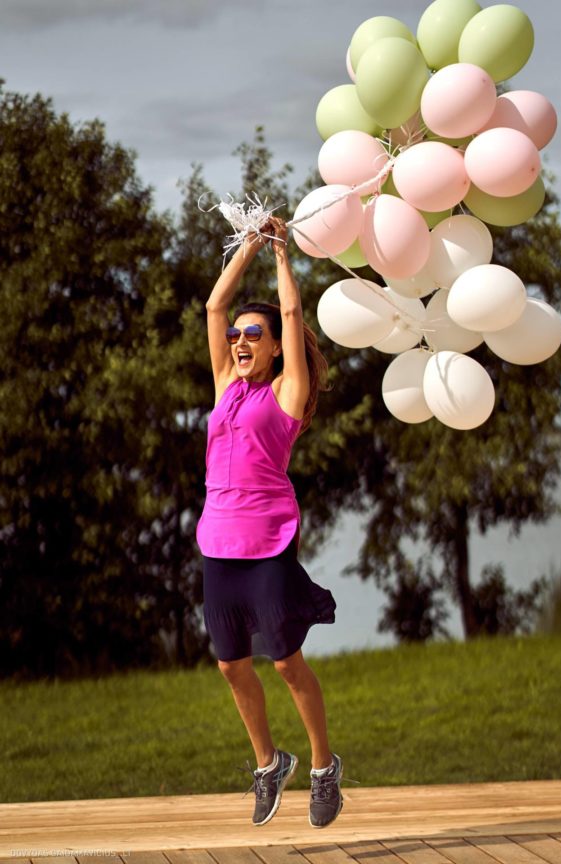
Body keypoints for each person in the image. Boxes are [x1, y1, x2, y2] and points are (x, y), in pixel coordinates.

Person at [196, 216, 342, 829]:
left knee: (284, 661)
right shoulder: (226, 383)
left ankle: (323, 765)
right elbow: (213, 304)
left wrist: (281, 255)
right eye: (235, 335)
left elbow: (288, 307)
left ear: (277, 343)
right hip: (218, 544)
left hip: (268, 543)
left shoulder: (286, 393)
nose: (238, 340)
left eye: (253, 334)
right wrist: (247, 245)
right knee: (231, 665)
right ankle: (267, 763)